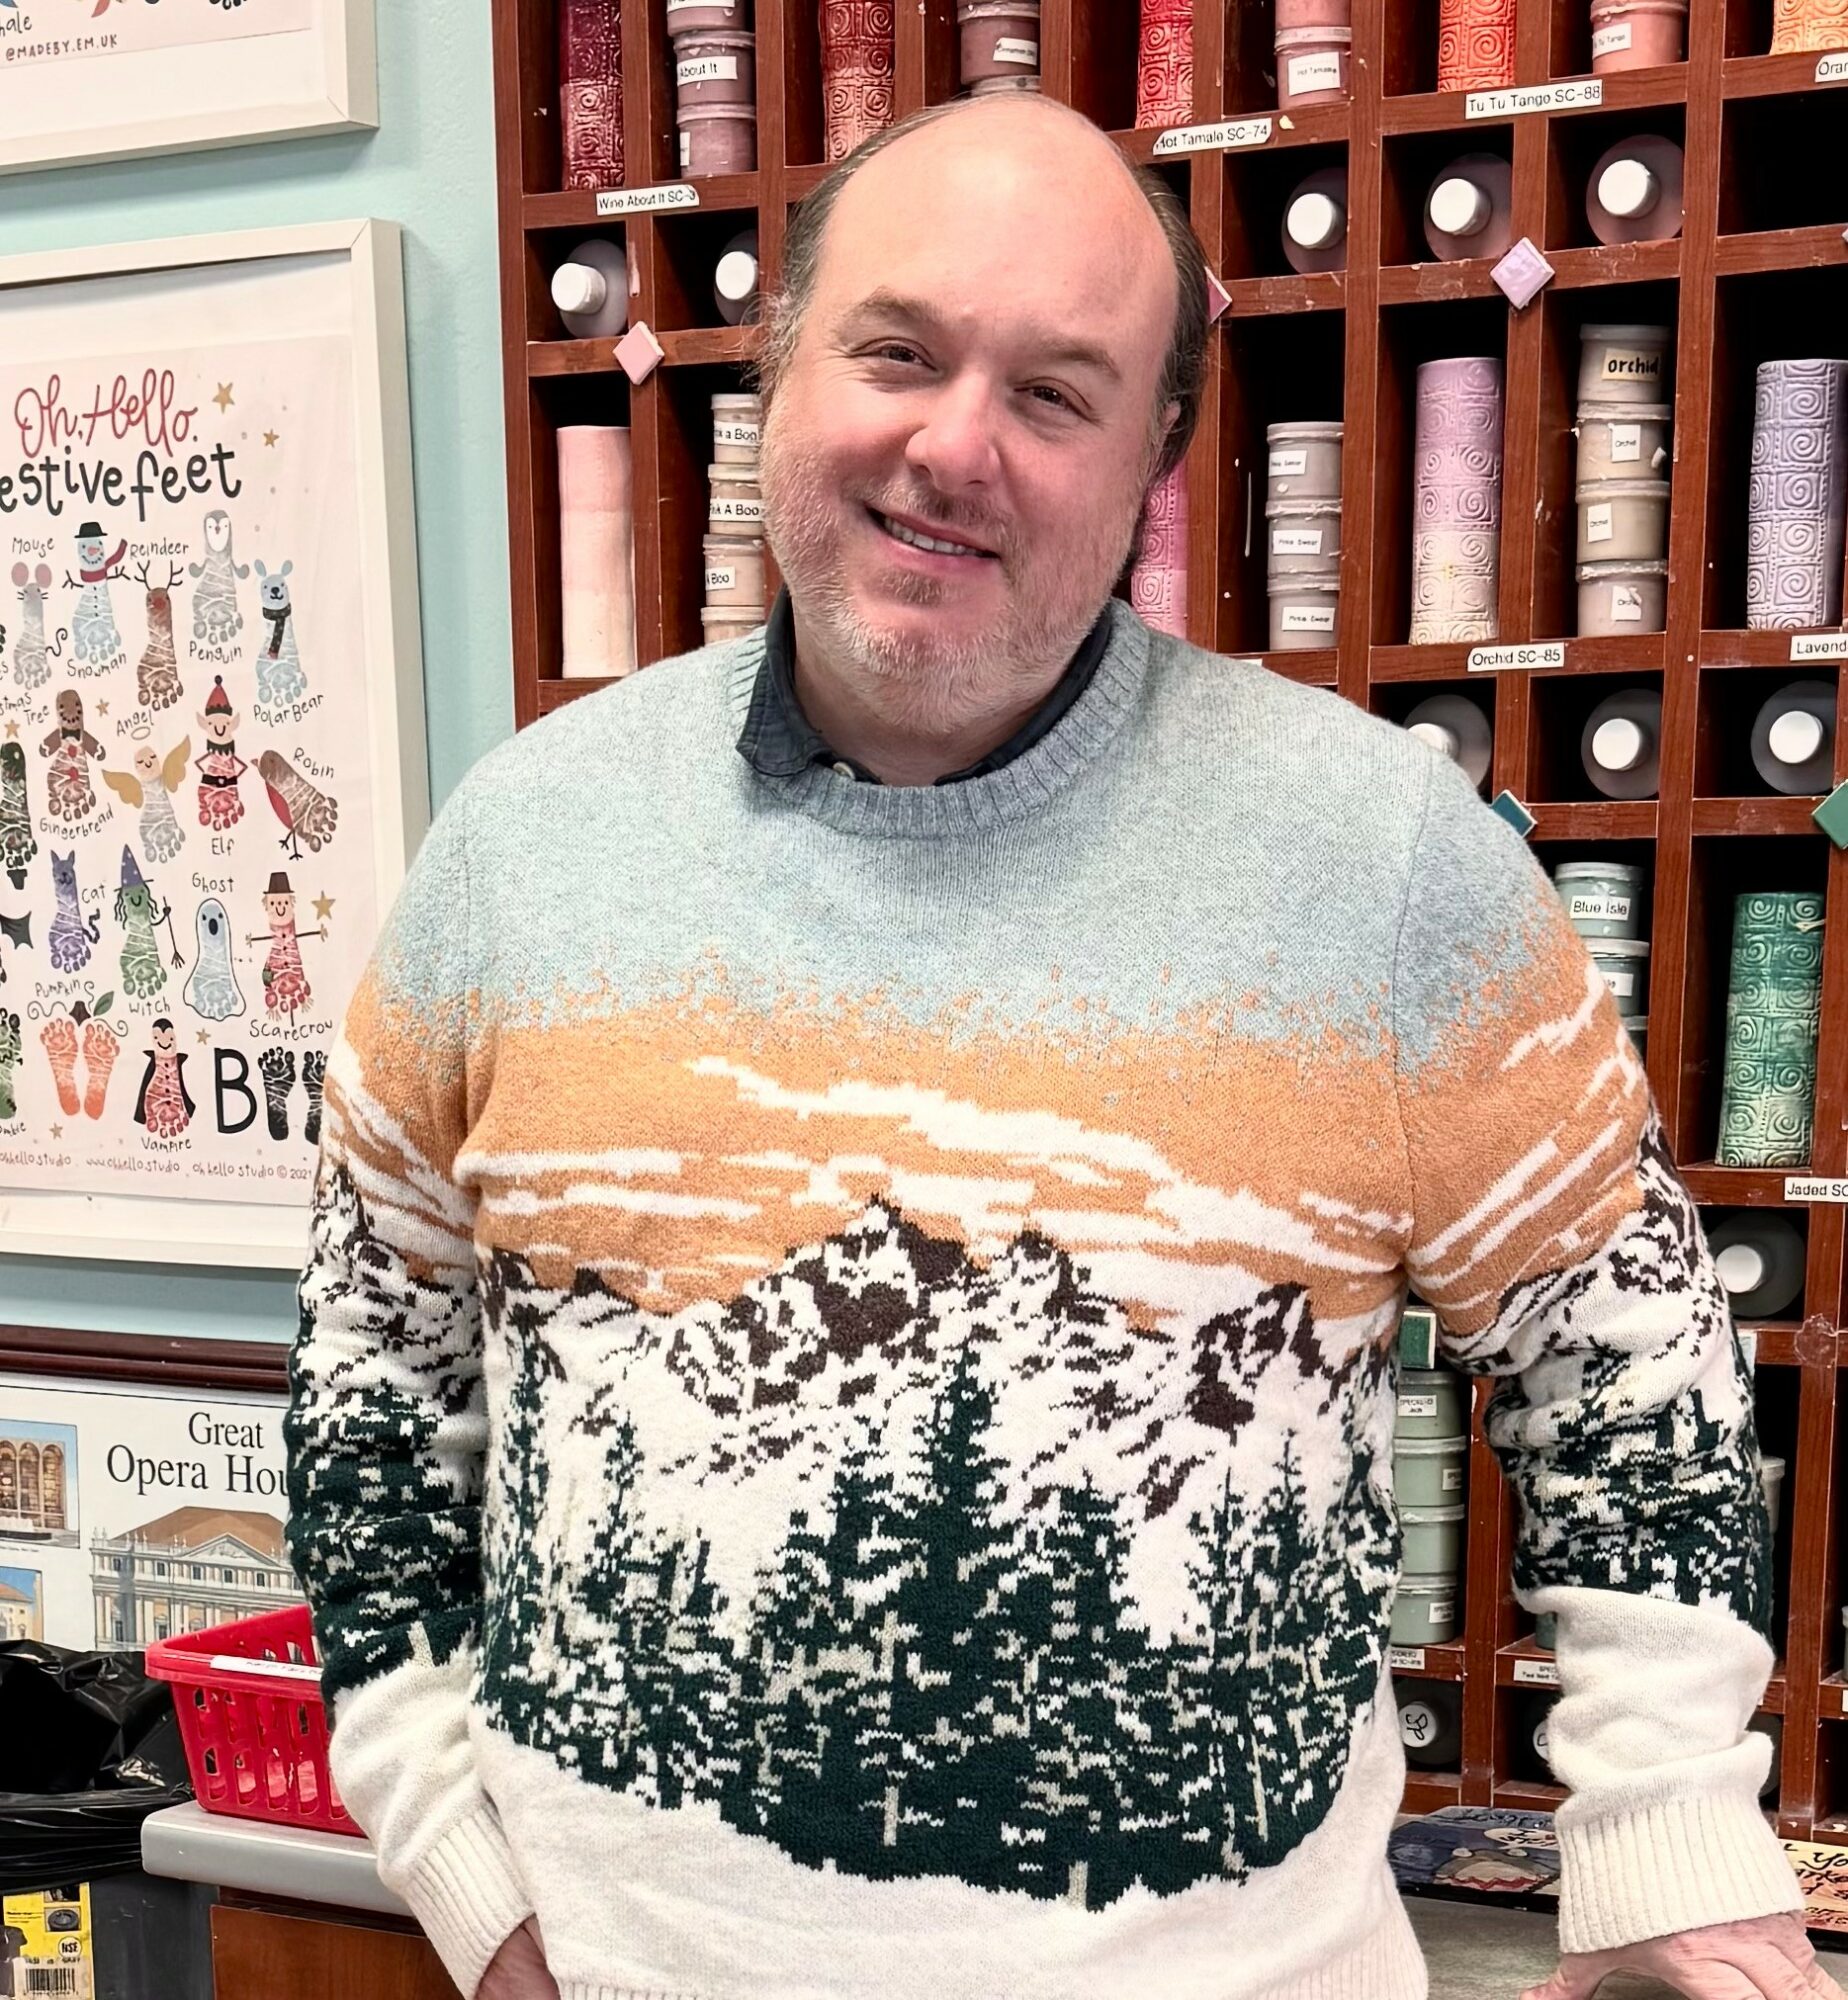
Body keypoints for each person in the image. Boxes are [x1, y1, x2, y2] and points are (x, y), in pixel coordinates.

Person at [283, 95, 1836, 2000]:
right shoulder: (518, 849)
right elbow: (371, 1373)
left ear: (1154, 461)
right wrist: (452, 1853)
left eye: (1054, 393)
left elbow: (1634, 1366)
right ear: (778, 368)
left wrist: (1668, 1847)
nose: (956, 446)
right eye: (897, 352)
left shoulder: (1386, 860)